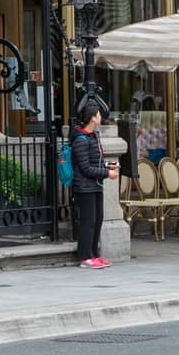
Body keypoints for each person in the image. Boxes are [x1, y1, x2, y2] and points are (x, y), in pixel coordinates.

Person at [71, 98, 118, 269]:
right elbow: (85, 168)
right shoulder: (80, 139)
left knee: (98, 220)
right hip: (84, 187)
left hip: (95, 185)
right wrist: (107, 173)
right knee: (88, 222)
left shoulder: (93, 136)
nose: (101, 118)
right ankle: (85, 257)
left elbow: (95, 163)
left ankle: (94, 254)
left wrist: (108, 166)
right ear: (93, 117)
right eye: (99, 115)